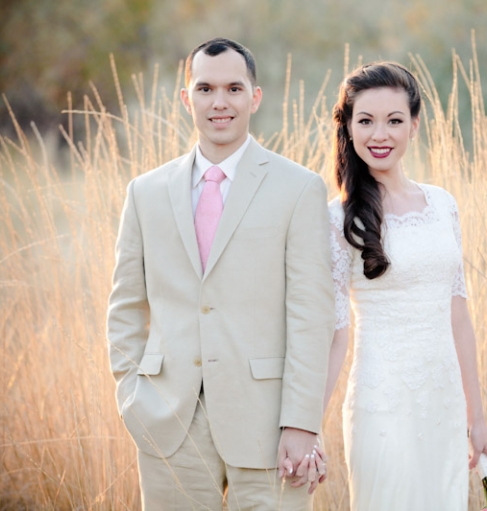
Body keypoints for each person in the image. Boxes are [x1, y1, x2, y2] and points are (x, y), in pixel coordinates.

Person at [106, 37, 334, 510]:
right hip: (168, 423)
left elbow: (312, 316)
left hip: (270, 429)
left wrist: (302, 422)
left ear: (255, 95)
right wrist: (133, 397)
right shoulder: (145, 193)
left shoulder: (299, 188)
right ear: (187, 98)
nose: (219, 102)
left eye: (233, 88)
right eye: (205, 89)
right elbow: (125, 307)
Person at [322, 62, 487, 510]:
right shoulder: (336, 218)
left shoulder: (442, 205)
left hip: (443, 404)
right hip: (382, 404)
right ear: (348, 127)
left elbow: (459, 316)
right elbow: (336, 332)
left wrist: (477, 417)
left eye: (394, 121)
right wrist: (306, 425)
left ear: (414, 125)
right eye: (365, 121)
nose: (380, 134)